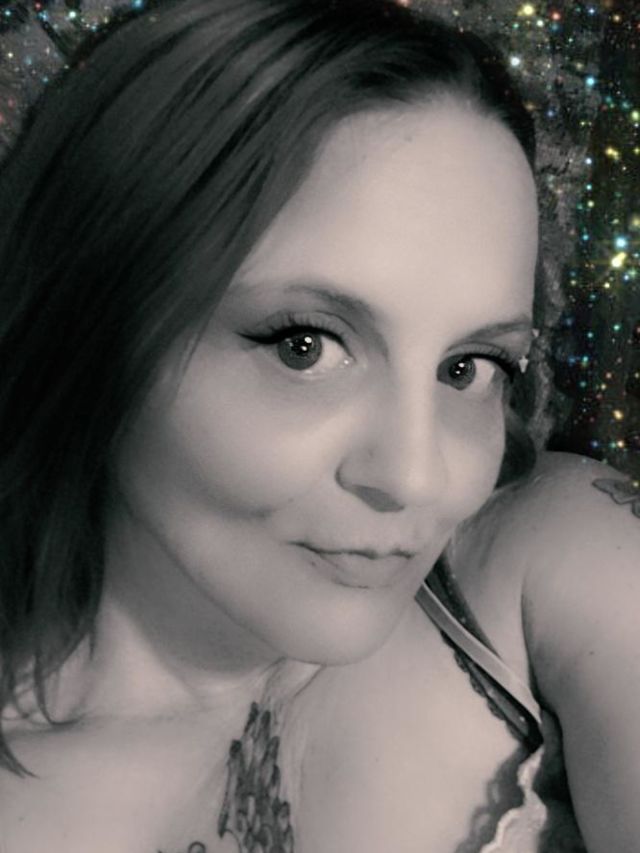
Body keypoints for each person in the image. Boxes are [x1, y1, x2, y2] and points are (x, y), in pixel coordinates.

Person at [0, 1, 638, 851]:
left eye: (470, 367)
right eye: (305, 346)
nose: (416, 477)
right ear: (91, 321)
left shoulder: (560, 565)